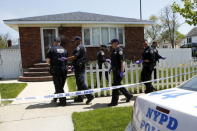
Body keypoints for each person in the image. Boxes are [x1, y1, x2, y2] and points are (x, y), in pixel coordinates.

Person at [66, 36, 94, 104]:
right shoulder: (80, 47)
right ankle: (80, 98)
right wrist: (72, 65)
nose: (74, 42)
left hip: (80, 67)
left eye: (75, 41)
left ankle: (90, 96)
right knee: (79, 82)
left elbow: (75, 56)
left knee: (81, 82)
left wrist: (66, 59)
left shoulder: (79, 47)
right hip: (78, 66)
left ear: (79, 40)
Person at [108, 39, 133, 107]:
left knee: (115, 86)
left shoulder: (120, 51)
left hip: (119, 71)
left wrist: (122, 71)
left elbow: (123, 62)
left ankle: (114, 102)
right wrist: (111, 68)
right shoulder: (114, 51)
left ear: (116, 43)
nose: (111, 45)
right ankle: (129, 95)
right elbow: (114, 61)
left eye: (112, 43)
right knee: (117, 85)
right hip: (115, 71)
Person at [46, 37, 67, 106]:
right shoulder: (65, 50)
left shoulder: (51, 49)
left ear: (54, 42)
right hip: (64, 69)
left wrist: (51, 64)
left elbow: (48, 61)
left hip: (56, 70)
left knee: (58, 86)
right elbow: (66, 60)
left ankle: (63, 102)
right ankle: (56, 97)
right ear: (60, 42)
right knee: (61, 85)